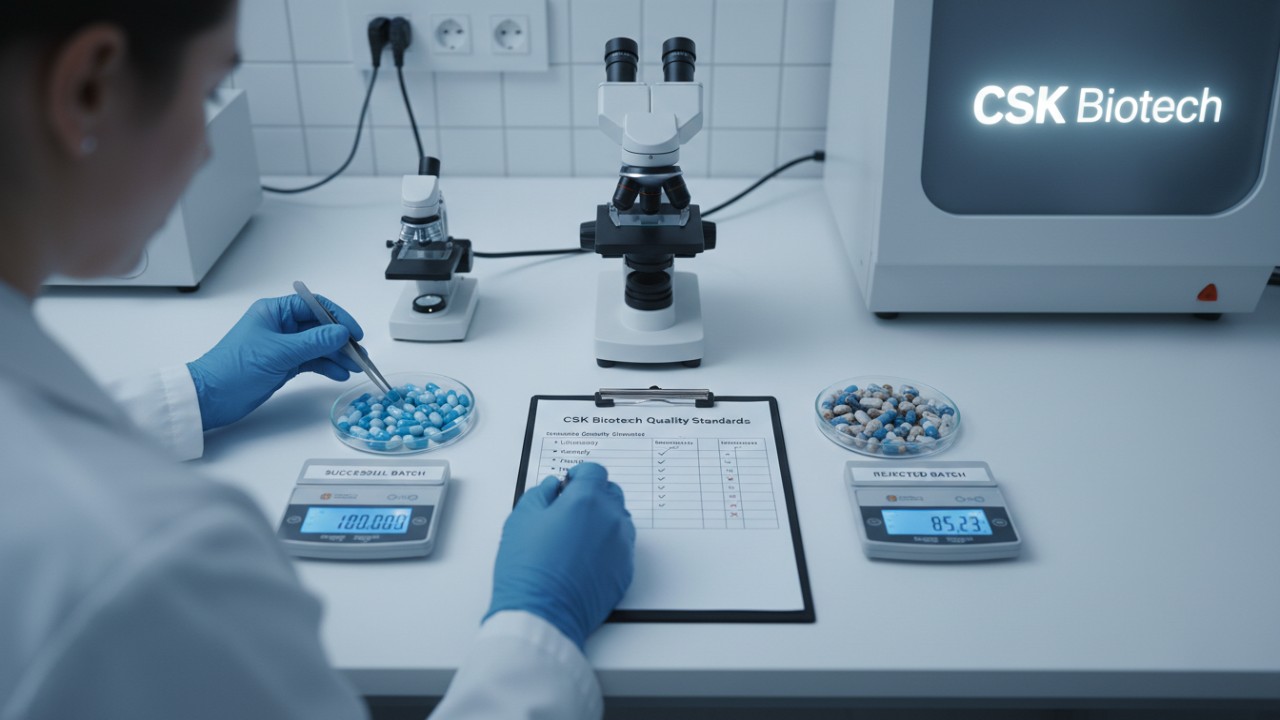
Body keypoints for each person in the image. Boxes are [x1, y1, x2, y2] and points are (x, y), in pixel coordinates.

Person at [0, 2, 636, 719]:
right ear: (90, 89)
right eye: (211, 91)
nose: (210, 148)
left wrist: (195, 393)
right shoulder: (152, 565)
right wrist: (538, 625)